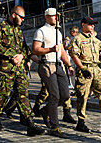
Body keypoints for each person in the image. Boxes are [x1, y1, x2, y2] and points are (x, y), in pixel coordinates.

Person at [0, 5, 44, 137]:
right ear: (14, 15)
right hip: (6, 69)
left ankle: (30, 123)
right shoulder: (0, 27)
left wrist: (24, 56)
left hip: (19, 69)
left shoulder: (19, 30)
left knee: (23, 94)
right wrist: (12, 56)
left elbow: (24, 48)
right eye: (21, 17)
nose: (22, 20)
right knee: (3, 94)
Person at [69, 16, 101, 132]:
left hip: (96, 69)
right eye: (90, 24)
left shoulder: (94, 39)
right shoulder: (77, 39)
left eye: (93, 24)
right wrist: (82, 68)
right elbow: (74, 55)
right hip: (85, 69)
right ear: (83, 25)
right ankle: (81, 122)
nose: (92, 26)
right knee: (83, 96)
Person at [32, 8, 74, 138]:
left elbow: (61, 50)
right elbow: (35, 50)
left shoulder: (58, 32)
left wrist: (69, 65)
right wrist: (50, 49)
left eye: (57, 16)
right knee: (54, 95)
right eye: (54, 16)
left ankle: (46, 110)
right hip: (46, 65)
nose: (56, 18)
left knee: (66, 95)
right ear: (47, 17)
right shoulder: (41, 31)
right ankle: (54, 127)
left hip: (58, 65)